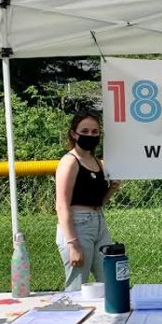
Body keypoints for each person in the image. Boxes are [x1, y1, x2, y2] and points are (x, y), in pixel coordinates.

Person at [55, 112, 120, 291]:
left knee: (110, 281)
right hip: (77, 225)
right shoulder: (70, 161)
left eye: (94, 131)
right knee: (77, 286)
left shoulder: (96, 161)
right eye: (85, 131)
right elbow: (61, 205)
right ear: (74, 134)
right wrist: (73, 244)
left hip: (98, 221)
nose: (90, 135)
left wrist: (112, 189)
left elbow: (97, 202)